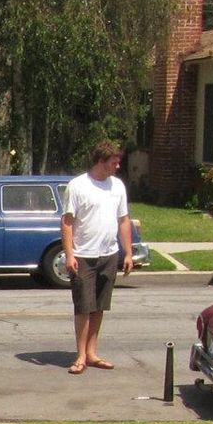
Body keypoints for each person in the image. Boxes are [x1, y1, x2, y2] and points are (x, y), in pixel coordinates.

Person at [60, 141, 134, 374]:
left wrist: (129, 252)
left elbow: (123, 220)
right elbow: (67, 222)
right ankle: (80, 355)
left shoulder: (117, 186)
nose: (118, 166)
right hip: (83, 256)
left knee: (99, 306)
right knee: (83, 306)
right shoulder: (78, 186)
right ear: (101, 162)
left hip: (108, 254)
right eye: (114, 162)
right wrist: (70, 254)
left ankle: (92, 352)